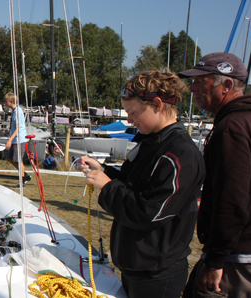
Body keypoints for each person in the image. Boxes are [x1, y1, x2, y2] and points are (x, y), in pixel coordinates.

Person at [77, 69, 205, 298]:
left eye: (133, 112)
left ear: (157, 104)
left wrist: (107, 186)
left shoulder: (180, 154)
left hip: (157, 275)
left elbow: (149, 212)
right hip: (137, 266)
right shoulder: (152, 142)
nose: (129, 120)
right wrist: (104, 171)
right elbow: (132, 186)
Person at [180, 52, 251, 297]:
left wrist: (215, 261)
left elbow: (232, 200)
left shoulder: (232, 127)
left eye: (200, 81)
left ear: (227, 85)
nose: (192, 88)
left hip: (238, 261)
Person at [3, 93, 31, 187]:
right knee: (9, 158)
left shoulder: (18, 111)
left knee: (19, 160)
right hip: (15, 139)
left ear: (11, 101)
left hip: (19, 139)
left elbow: (18, 128)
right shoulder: (13, 111)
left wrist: (9, 140)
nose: (5, 103)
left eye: (6, 101)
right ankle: (24, 174)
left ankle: (22, 181)